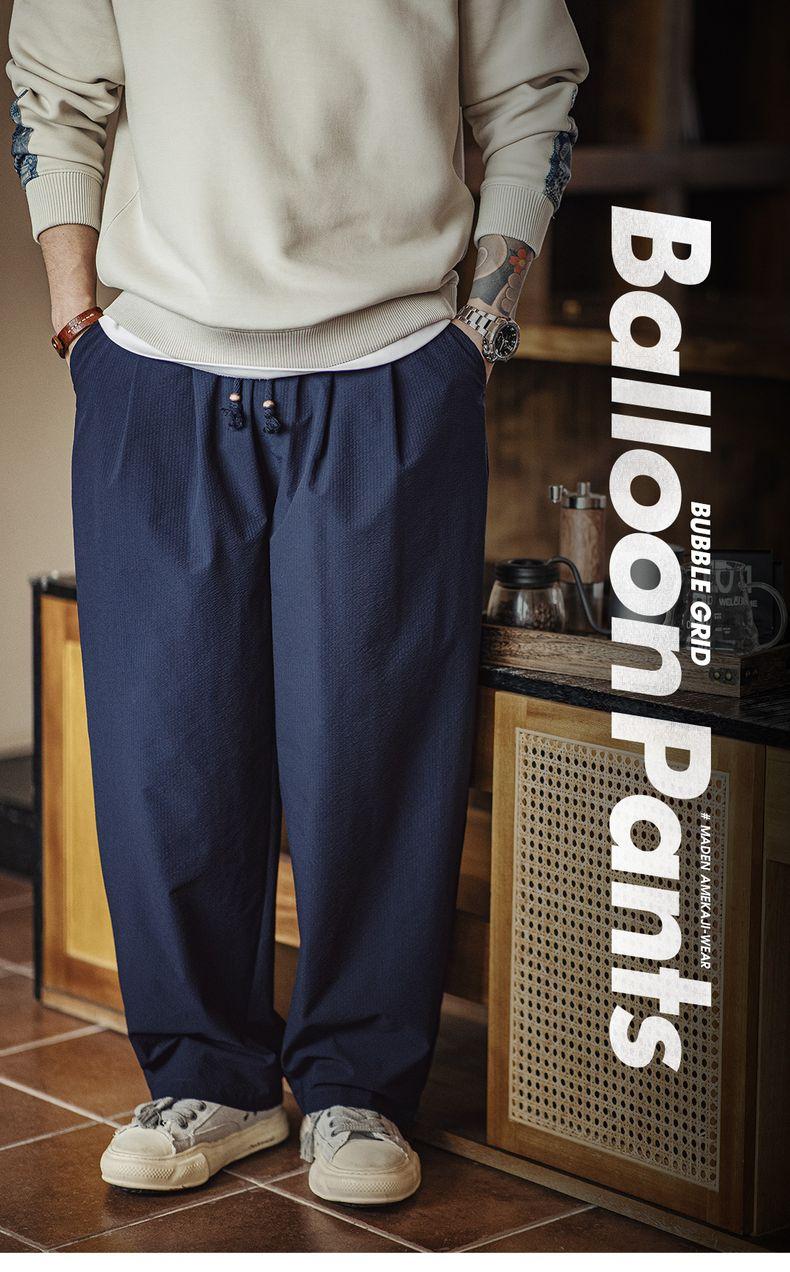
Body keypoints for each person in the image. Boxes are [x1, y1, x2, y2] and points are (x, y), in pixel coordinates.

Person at [7, 0, 586, 1205]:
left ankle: (357, 1088)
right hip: (156, 373)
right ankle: (207, 1080)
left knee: (374, 755)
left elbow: (532, 94)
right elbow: (56, 94)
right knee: (165, 756)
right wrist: (78, 321)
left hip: (393, 372)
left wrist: (478, 329)